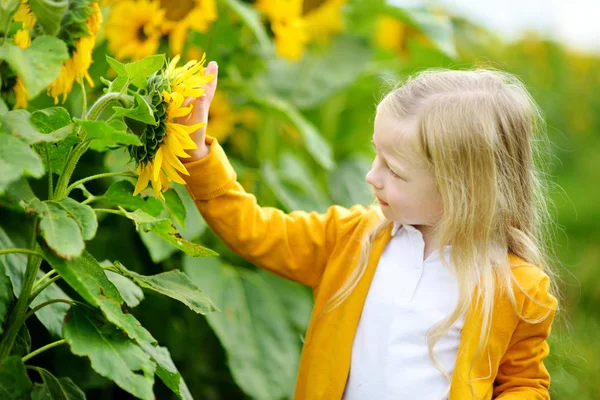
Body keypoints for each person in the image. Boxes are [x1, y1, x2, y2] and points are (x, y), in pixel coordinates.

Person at [176, 61, 561, 399]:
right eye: (375, 154)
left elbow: (523, 384)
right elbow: (257, 230)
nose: (371, 176)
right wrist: (199, 157)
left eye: (393, 170)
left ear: (463, 189)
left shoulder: (516, 288)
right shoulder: (351, 238)